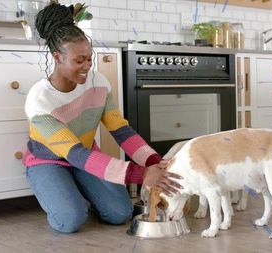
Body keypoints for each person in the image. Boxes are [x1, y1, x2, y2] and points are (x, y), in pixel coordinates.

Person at [23, 1, 181, 233]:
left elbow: (121, 130)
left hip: (86, 157)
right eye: (79, 60)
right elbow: (75, 154)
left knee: (120, 213)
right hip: (49, 161)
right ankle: (65, 191)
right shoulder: (40, 101)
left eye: (89, 58)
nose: (87, 66)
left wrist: (153, 162)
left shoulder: (99, 83)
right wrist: (141, 174)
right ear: (57, 57)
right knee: (69, 221)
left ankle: (80, 187)